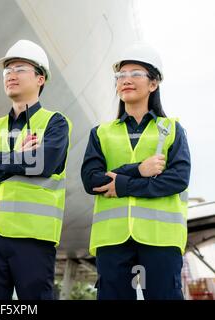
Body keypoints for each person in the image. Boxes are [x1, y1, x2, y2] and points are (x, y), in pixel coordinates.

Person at [0, 40, 72, 300]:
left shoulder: (55, 123)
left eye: (20, 68)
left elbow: (44, 164)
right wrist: (19, 157)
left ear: (40, 79)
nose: (11, 74)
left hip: (32, 238)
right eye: (7, 70)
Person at [81, 42, 191, 300]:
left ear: (153, 84)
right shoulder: (101, 133)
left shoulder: (173, 129)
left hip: (161, 240)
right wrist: (138, 170)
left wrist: (122, 184)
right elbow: (91, 180)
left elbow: (177, 180)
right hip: (112, 241)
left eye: (135, 74)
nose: (125, 80)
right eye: (120, 76)